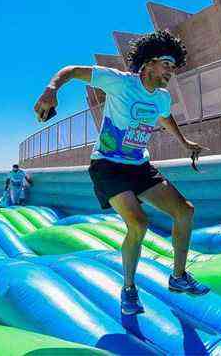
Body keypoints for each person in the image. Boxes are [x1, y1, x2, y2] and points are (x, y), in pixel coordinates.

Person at [33, 30, 209, 316]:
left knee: (185, 211)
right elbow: (73, 70)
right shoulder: (118, 82)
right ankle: (128, 289)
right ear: (149, 63)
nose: (170, 72)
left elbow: (164, 116)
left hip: (139, 166)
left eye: (174, 68)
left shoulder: (162, 98)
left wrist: (184, 142)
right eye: (167, 65)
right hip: (108, 166)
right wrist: (51, 89)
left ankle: (178, 277)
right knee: (139, 223)